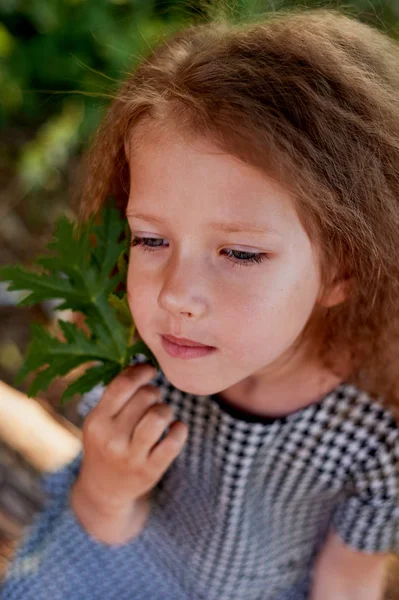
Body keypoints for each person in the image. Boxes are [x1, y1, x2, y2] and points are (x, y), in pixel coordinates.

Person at [2, 6, 399, 599]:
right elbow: (96, 532)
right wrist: (108, 485)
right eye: (152, 240)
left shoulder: (374, 434)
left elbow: (346, 584)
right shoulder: (134, 365)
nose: (175, 296)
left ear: (340, 272)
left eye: (240, 254)